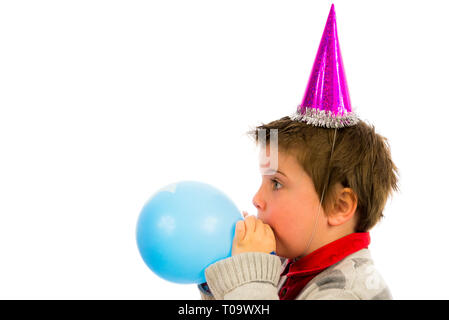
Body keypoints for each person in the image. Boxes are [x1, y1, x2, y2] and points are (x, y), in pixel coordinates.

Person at [198, 4, 399, 300]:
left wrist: (249, 276)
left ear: (339, 206)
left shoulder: (348, 293)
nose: (256, 199)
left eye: (276, 183)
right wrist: (223, 273)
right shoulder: (288, 268)